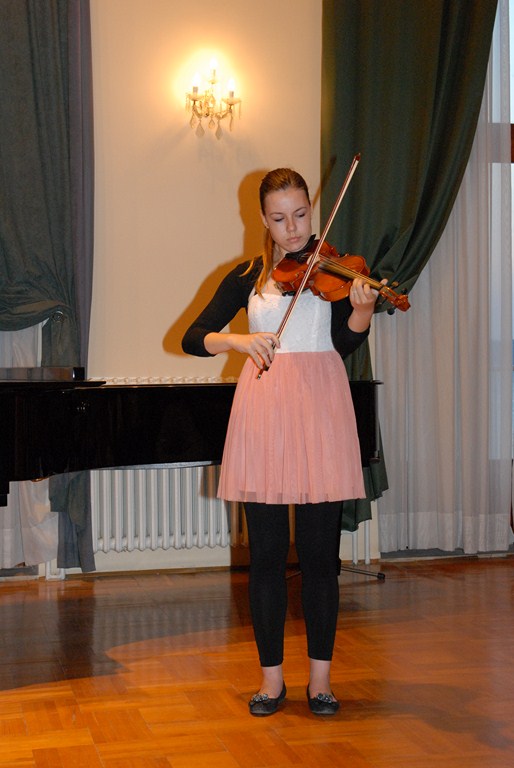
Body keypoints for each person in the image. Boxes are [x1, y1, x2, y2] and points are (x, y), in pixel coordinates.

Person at [182, 168, 380, 716]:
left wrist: (362, 309)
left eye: (300, 215)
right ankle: (272, 682)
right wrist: (240, 339)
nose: (293, 230)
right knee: (266, 555)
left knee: (321, 557)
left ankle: (321, 681)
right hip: (264, 407)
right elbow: (193, 337)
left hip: (321, 405)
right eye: (279, 218)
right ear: (262, 219)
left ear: (311, 211)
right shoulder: (247, 273)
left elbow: (342, 343)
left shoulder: (333, 268)